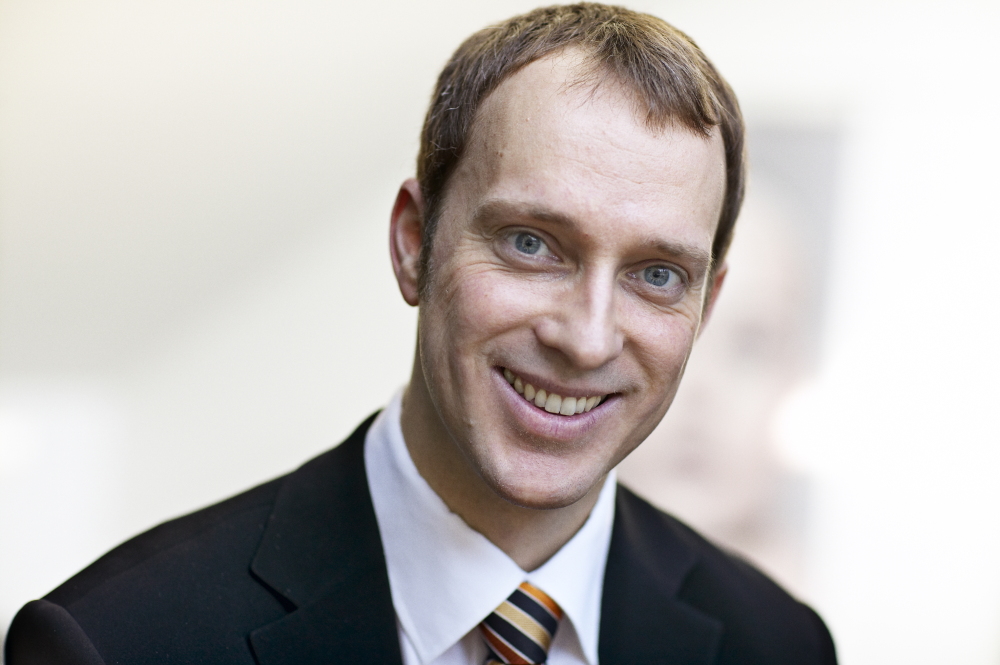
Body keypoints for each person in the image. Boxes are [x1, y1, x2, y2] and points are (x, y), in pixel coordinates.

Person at [4, 4, 837, 664]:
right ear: (414, 242)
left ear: (705, 306)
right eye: (531, 243)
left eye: (656, 275)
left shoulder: (777, 645)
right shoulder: (117, 642)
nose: (587, 340)